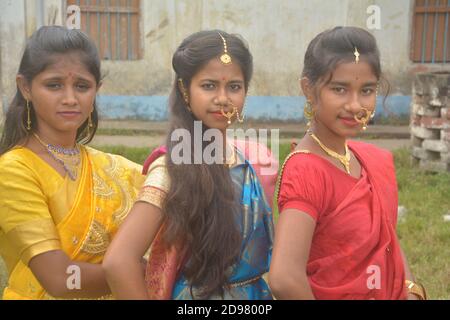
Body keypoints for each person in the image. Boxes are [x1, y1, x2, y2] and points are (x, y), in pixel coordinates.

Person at [103, 30, 276, 300]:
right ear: (185, 90)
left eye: (234, 86)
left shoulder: (244, 162)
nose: (223, 98)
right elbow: (118, 261)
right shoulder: (172, 169)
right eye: (208, 86)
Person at [269, 26, 426, 300]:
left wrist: (412, 291)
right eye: (339, 89)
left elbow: (388, 238)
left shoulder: (367, 159)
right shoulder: (306, 170)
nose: (355, 105)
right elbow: (284, 279)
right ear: (308, 89)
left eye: (366, 90)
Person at [0, 26, 145, 299]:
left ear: (96, 90)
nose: (70, 98)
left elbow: (171, 192)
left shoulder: (113, 168)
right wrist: (141, 273)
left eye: (82, 86)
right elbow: (60, 279)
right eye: (54, 84)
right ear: (25, 87)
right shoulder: (14, 170)